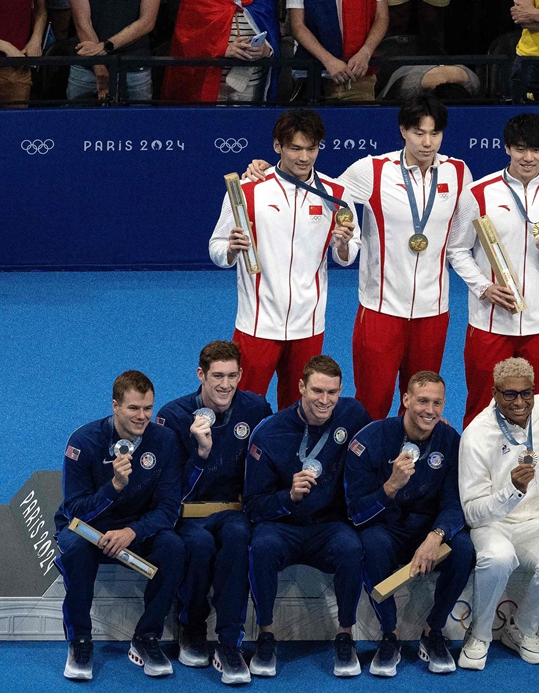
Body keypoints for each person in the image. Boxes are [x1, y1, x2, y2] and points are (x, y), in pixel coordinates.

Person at [338, 94, 471, 418]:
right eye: (419, 132)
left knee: (422, 401)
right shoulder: (373, 170)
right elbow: (329, 192)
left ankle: (412, 462)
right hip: (381, 309)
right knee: (372, 400)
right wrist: (270, 172)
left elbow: (462, 237)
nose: (428, 142)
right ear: (403, 130)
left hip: (433, 311)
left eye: (435, 133)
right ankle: (364, 465)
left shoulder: (457, 172)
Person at [242, 355, 372, 678]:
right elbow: (253, 506)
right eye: (317, 391)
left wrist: (427, 424)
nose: (324, 401)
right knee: (261, 548)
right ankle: (266, 635)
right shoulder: (269, 434)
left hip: (329, 526)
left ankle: (345, 636)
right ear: (301, 387)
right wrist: (288, 496)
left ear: (341, 391)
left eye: (332, 392)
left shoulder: (353, 414)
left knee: (351, 548)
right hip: (282, 526)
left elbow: (381, 443)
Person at [214, 109, 356, 403]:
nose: (304, 157)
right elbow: (216, 248)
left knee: (301, 407)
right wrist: (230, 250)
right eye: (295, 148)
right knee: (244, 406)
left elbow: (348, 254)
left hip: (309, 323)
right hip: (257, 322)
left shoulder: (336, 194)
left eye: (311, 148)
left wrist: (343, 245)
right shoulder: (247, 189)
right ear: (277, 146)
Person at [447, 113, 539, 421]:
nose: (529, 157)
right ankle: (475, 470)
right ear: (507, 148)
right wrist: (484, 288)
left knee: (534, 407)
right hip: (490, 321)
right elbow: (457, 249)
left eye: (536, 149)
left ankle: (529, 466)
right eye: (521, 148)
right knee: (482, 404)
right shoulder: (478, 193)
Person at [55, 370, 186, 682]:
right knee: (76, 551)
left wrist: (133, 532)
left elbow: (169, 508)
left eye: (148, 409)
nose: (142, 416)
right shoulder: (84, 442)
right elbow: (75, 510)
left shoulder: (165, 441)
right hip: (89, 528)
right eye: (133, 408)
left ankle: (146, 638)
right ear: (115, 406)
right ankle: (81, 641)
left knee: (173, 547)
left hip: (133, 528)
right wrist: (113, 486)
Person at [158, 340, 273, 682]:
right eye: (217, 376)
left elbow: (270, 461)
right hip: (187, 511)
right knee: (199, 546)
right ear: (201, 375)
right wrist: (201, 454)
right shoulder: (173, 416)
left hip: (232, 510)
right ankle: (192, 626)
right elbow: (169, 489)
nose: (226, 385)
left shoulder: (255, 410)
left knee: (238, 537)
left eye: (233, 376)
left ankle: (228, 642)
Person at [345, 372, 474, 676]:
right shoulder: (371, 439)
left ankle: (432, 632)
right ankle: (389, 635)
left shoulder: (450, 441)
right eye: (422, 401)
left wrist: (436, 536)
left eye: (437, 403)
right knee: (371, 544)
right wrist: (391, 485)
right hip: (386, 528)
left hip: (429, 529)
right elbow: (355, 512)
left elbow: (456, 504)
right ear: (405, 400)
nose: (430, 410)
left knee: (464, 548)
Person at [455, 358, 539, 670]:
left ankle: (521, 627)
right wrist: (512, 491)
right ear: (494, 393)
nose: (520, 402)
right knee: (499, 558)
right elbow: (472, 512)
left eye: (526, 393)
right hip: (494, 524)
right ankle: (478, 634)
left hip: (538, 521)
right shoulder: (476, 435)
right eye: (509, 395)